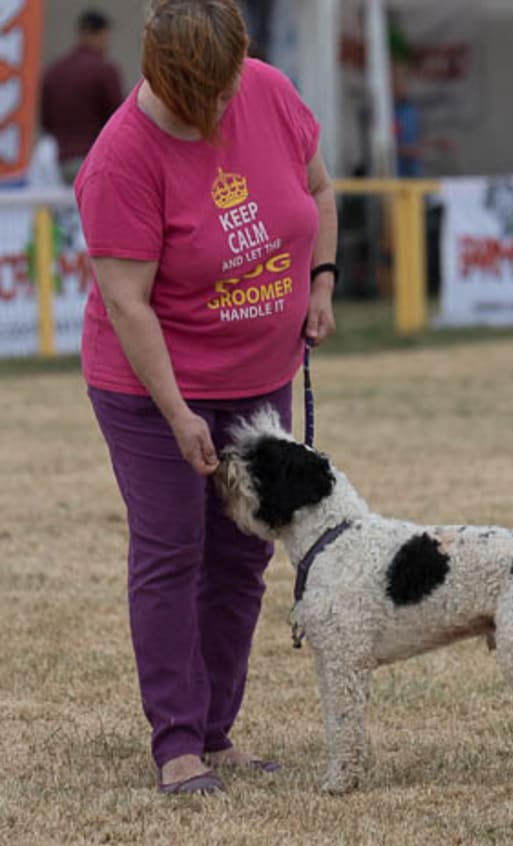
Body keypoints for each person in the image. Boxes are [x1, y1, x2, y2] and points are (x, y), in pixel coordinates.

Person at [74, 0, 337, 795]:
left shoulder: (269, 89)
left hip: (260, 378)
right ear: (163, 76)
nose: (223, 108)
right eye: (206, 97)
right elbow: (128, 304)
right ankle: (178, 744)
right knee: (172, 551)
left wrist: (319, 282)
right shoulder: (122, 157)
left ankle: (219, 730)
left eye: (227, 89)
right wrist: (179, 412)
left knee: (243, 555)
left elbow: (319, 194)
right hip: (154, 387)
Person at [40, 9, 123, 183]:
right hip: (92, 161)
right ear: (100, 34)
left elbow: (46, 122)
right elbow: (118, 120)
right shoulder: (104, 70)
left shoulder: (54, 71)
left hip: (56, 164)